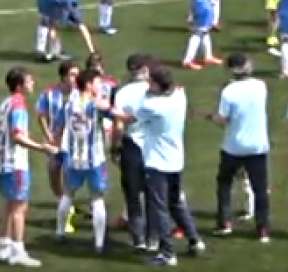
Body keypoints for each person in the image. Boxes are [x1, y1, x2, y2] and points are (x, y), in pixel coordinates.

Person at [118, 65, 204, 266]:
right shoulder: (179, 97)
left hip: (157, 163)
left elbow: (128, 118)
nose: (148, 85)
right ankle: (194, 239)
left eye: (151, 82)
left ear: (158, 85)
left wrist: (105, 107)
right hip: (176, 160)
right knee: (175, 202)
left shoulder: (152, 106)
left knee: (159, 208)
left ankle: (168, 252)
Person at [0, 67, 58, 266]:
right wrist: (43, 147)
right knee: (20, 207)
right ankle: (17, 251)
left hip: (2, 162)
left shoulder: (5, 103)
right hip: (16, 164)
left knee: (9, 204)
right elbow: (18, 136)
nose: (33, 83)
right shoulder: (19, 106)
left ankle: (4, 245)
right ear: (20, 85)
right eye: (29, 81)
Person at [207, 53, 272, 242]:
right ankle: (263, 228)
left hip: (234, 147)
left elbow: (223, 120)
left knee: (225, 185)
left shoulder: (228, 92)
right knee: (260, 189)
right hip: (258, 146)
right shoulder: (260, 86)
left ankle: (224, 223)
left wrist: (212, 117)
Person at [55, 71, 111, 252]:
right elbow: (108, 108)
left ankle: (60, 232)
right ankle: (99, 243)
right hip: (94, 160)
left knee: (68, 194)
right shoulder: (94, 106)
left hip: (73, 159)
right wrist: (101, 98)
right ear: (88, 85)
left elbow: (59, 128)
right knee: (96, 198)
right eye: (97, 82)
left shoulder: (68, 104)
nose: (100, 85)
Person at [111, 54, 153, 251]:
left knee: (133, 194)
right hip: (153, 146)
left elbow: (118, 125)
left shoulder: (122, 92)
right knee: (154, 193)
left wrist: (115, 146)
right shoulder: (154, 89)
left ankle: (139, 239)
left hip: (131, 146)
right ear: (144, 69)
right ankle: (153, 237)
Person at [37, 62, 79, 235]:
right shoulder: (49, 94)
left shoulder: (81, 95)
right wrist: (48, 135)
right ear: (63, 77)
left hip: (75, 143)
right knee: (54, 173)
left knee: (72, 178)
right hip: (56, 143)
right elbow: (41, 115)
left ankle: (67, 212)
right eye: (72, 75)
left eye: (77, 75)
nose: (76, 78)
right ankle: (64, 203)